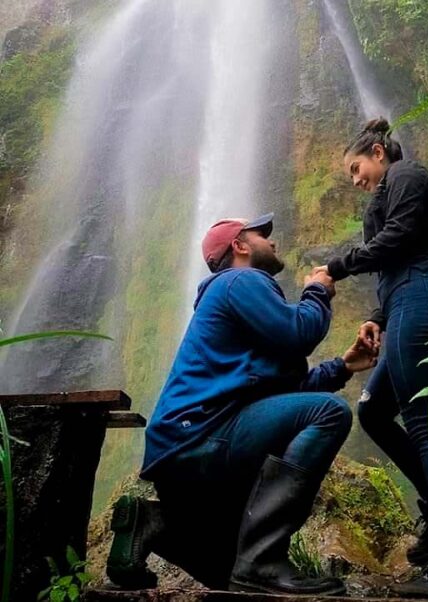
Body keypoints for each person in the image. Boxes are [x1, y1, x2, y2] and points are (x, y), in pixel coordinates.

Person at [106, 212, 376, 595]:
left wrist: (343, 367)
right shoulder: (240, 281)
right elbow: (298, 333)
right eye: (261, 234)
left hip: (183, 455)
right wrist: (317, 290)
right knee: (328, 413)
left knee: (230, 578)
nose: (272, 239)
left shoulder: (235, 299)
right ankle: (263, 560)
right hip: (201, 437)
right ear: (240, 246)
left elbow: (284, 390)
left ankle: (154, 522)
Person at [315, 118, 428, 599]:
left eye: (355, 167)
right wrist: (375, 316)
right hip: (404, 301)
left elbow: (402, 239)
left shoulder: (406, 175)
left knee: (423, 421)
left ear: (377, 152)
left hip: (425, 294)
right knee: (372, 410)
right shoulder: (387, 193)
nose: (355, 180)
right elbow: (393, 256)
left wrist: (336, 267)